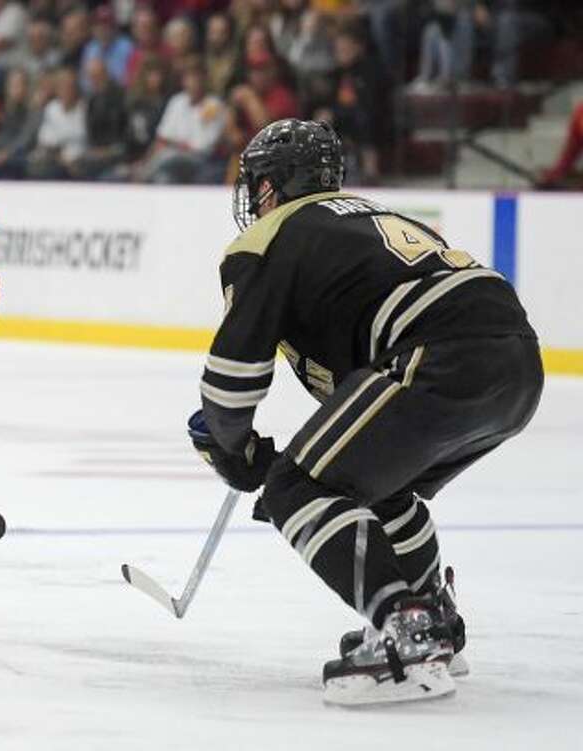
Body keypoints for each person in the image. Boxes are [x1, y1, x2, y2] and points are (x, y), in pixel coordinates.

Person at [191, 119, 542, 706]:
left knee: (296, 487)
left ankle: (407, 635)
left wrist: (233, 447)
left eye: (257, 184)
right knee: (372, 482)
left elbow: (232, 379)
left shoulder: (271, 236)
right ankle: (432, 617)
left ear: (274, 186)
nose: (253, 197)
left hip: (438, 352)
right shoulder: (369, 218)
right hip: (517, 363)